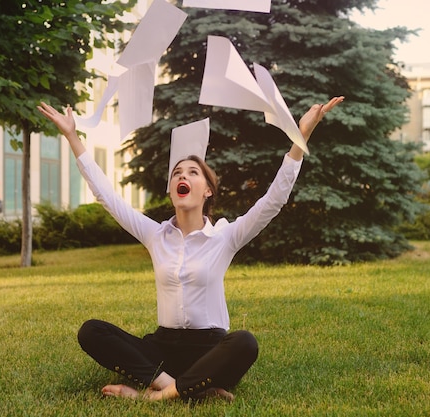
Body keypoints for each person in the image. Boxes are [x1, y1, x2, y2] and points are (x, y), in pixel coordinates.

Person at [37, 96, 344, 402]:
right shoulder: (155, 235)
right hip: (162, 349)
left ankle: (154, 396)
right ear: (171, 190)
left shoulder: (225, 236)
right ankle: (185, 387)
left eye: (193, 172)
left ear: (208, 190)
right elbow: (107, 197)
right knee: (92, 331)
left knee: (245, 343)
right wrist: (72, 136)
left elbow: (273, 201)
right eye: (177, 173)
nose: (182, 175)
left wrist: (300, 135)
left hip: (210, 349)